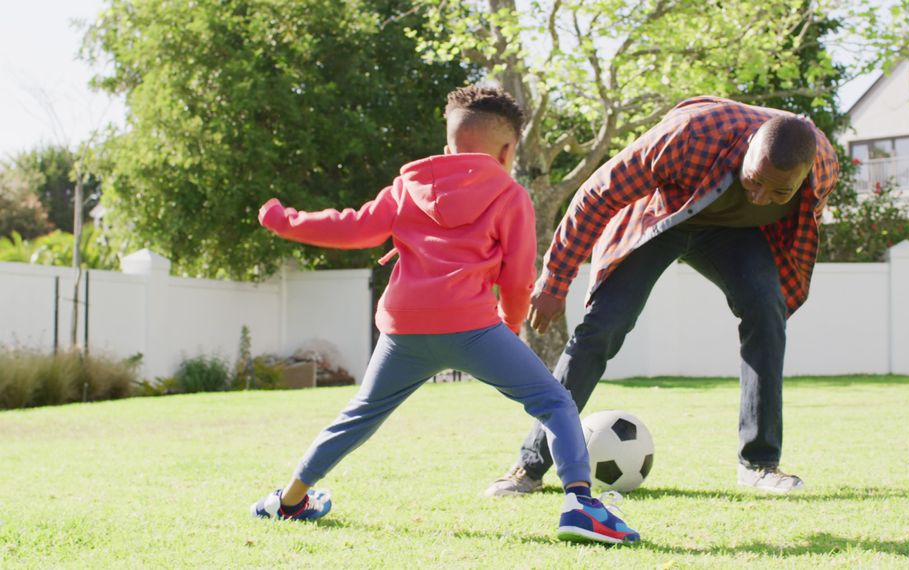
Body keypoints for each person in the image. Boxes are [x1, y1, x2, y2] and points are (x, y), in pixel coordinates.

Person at [250, 85, 639, 545]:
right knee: (554, 402)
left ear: (448, 142)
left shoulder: (406, 188)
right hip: (474, 327)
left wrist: (285, 219)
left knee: (359, 416)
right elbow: (517, 279)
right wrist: (509, 326)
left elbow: (353, 227)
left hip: (404, 330)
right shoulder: (511, 195)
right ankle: (581, 505)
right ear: (509, 148)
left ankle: (291, 499)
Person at [485, 96, 839, 497]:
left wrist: (770, 207)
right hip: (663, 217)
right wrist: (554, 281)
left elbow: (794, 230)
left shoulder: (823, 167)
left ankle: (759, 464)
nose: (759, 197)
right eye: (754, 180)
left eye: (779, 192)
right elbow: (597, 194)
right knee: (604, 326)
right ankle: (528, 467)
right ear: (748, 148)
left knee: (766, 311)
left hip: (737, 236)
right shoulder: (690, 135)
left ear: (805, 176)